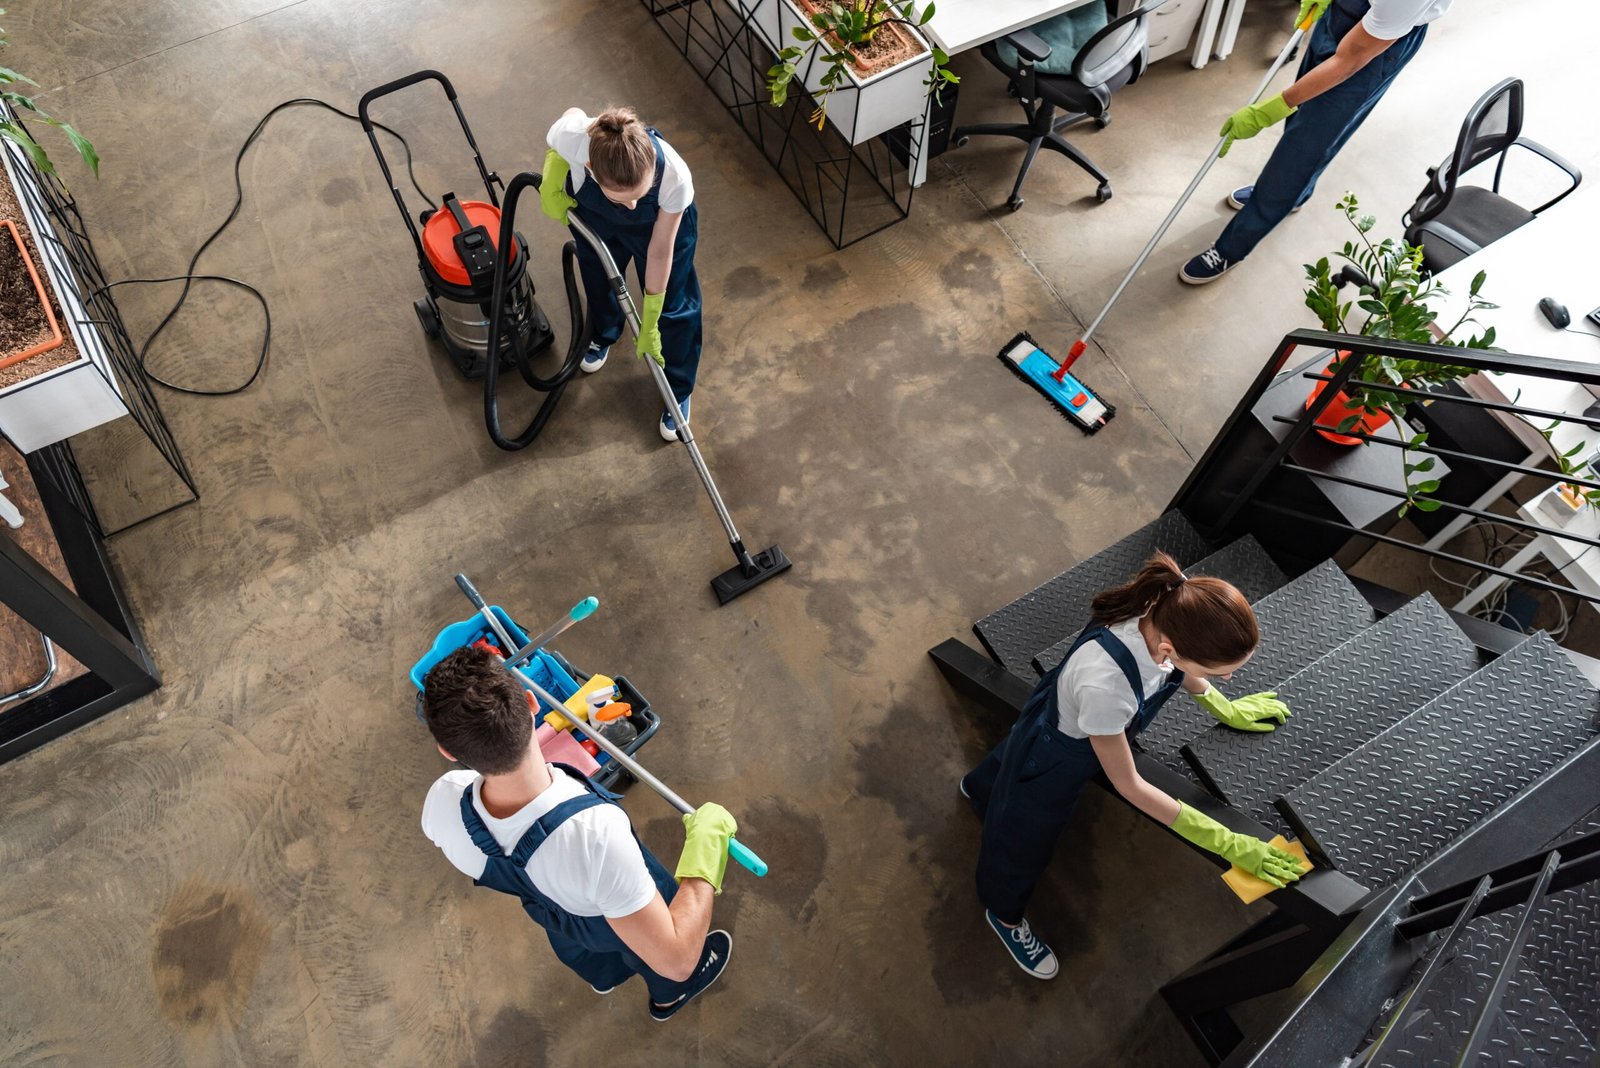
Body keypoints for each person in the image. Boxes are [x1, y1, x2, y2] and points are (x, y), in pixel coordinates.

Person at [961, 552, 1305, 978]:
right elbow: (1130, 785)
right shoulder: (1109, 689)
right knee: (1023, 837)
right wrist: (1227, 843)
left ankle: (979, 789)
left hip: (1063, 711)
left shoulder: (1168, 603)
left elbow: (1179, 669)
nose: (1227, 679)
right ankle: (1003, 911)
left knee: (1012, 758)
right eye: (1220, 674)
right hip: (1058, 755)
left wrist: (1224, 707)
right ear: (1170, 649)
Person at [419, 644, 735, 1020]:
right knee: (647, 946)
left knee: (578, 939)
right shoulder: (596, 837)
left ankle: (605, 974)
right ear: (533, 704)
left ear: (447, 751)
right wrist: (706, 851)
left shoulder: (444, 800)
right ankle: (669, 998)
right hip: (600, 903)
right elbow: (677, 958)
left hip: (555, 909)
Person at [1179, 0, 1446, 284]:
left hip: (1375, 49)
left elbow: (1348, 60)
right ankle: (1296, 194)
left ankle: (1230, 248)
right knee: (1302, 125)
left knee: (1301, 151)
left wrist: (1270, 110)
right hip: (1349, 14)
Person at [539, 106, 702, 441]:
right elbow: (566, 120)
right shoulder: (575, 139)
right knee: (598, 275)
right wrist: (552, 178)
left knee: (672, 302)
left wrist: (652, 317)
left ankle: (678, 387)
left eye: (637, 196)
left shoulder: (675, 178)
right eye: (622, 198)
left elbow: (660, 251)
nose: (630, 206)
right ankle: (604, 333)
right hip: (597, 216)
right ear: (590, 168)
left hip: (659, 228)